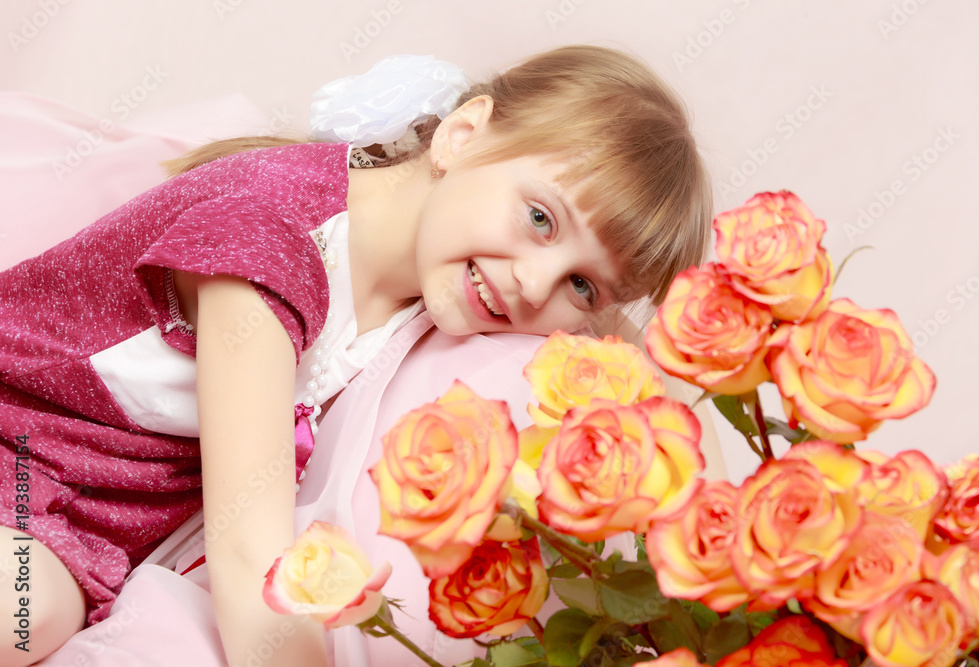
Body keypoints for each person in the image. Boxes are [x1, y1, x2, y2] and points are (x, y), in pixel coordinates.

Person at [0, 44, 712, 666]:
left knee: (37, 611)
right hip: (21, 444)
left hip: (83, 523)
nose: (533, 281)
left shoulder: (420, 295)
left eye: (583, 285)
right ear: (461, 135)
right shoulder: (270, 244)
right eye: (539, 217)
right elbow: (253, 556)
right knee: (20, 616)